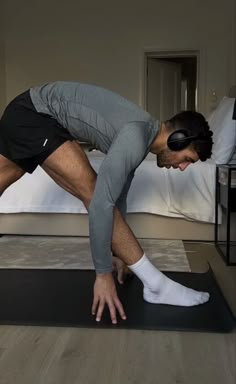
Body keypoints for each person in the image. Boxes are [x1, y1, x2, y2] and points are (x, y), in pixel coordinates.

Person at [0, 81, 213, 324]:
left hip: (24, 111)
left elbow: (117, 197)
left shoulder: (140, 139)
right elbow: (102, 203)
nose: (183, 167)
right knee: (93, 190)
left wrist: (118, 252)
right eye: (187, 158)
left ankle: (155, 284)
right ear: (177, 139)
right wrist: (103, 274)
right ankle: (157, 285)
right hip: (36, 114)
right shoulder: (135, 136)